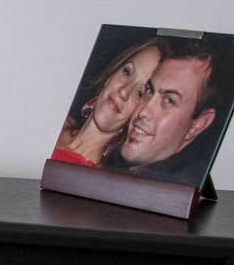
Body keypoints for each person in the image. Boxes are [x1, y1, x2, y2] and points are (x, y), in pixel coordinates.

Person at [111, 38, 224, 175]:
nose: (143, 111)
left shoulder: (174, 189)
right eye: (149, 91)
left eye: (169, 100)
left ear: (198, 124)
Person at [50, 36, 163, 168]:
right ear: (111, 75)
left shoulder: (89, 179)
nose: (124, 92)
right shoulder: (51, 119)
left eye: (140, 93)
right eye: (127, 72)